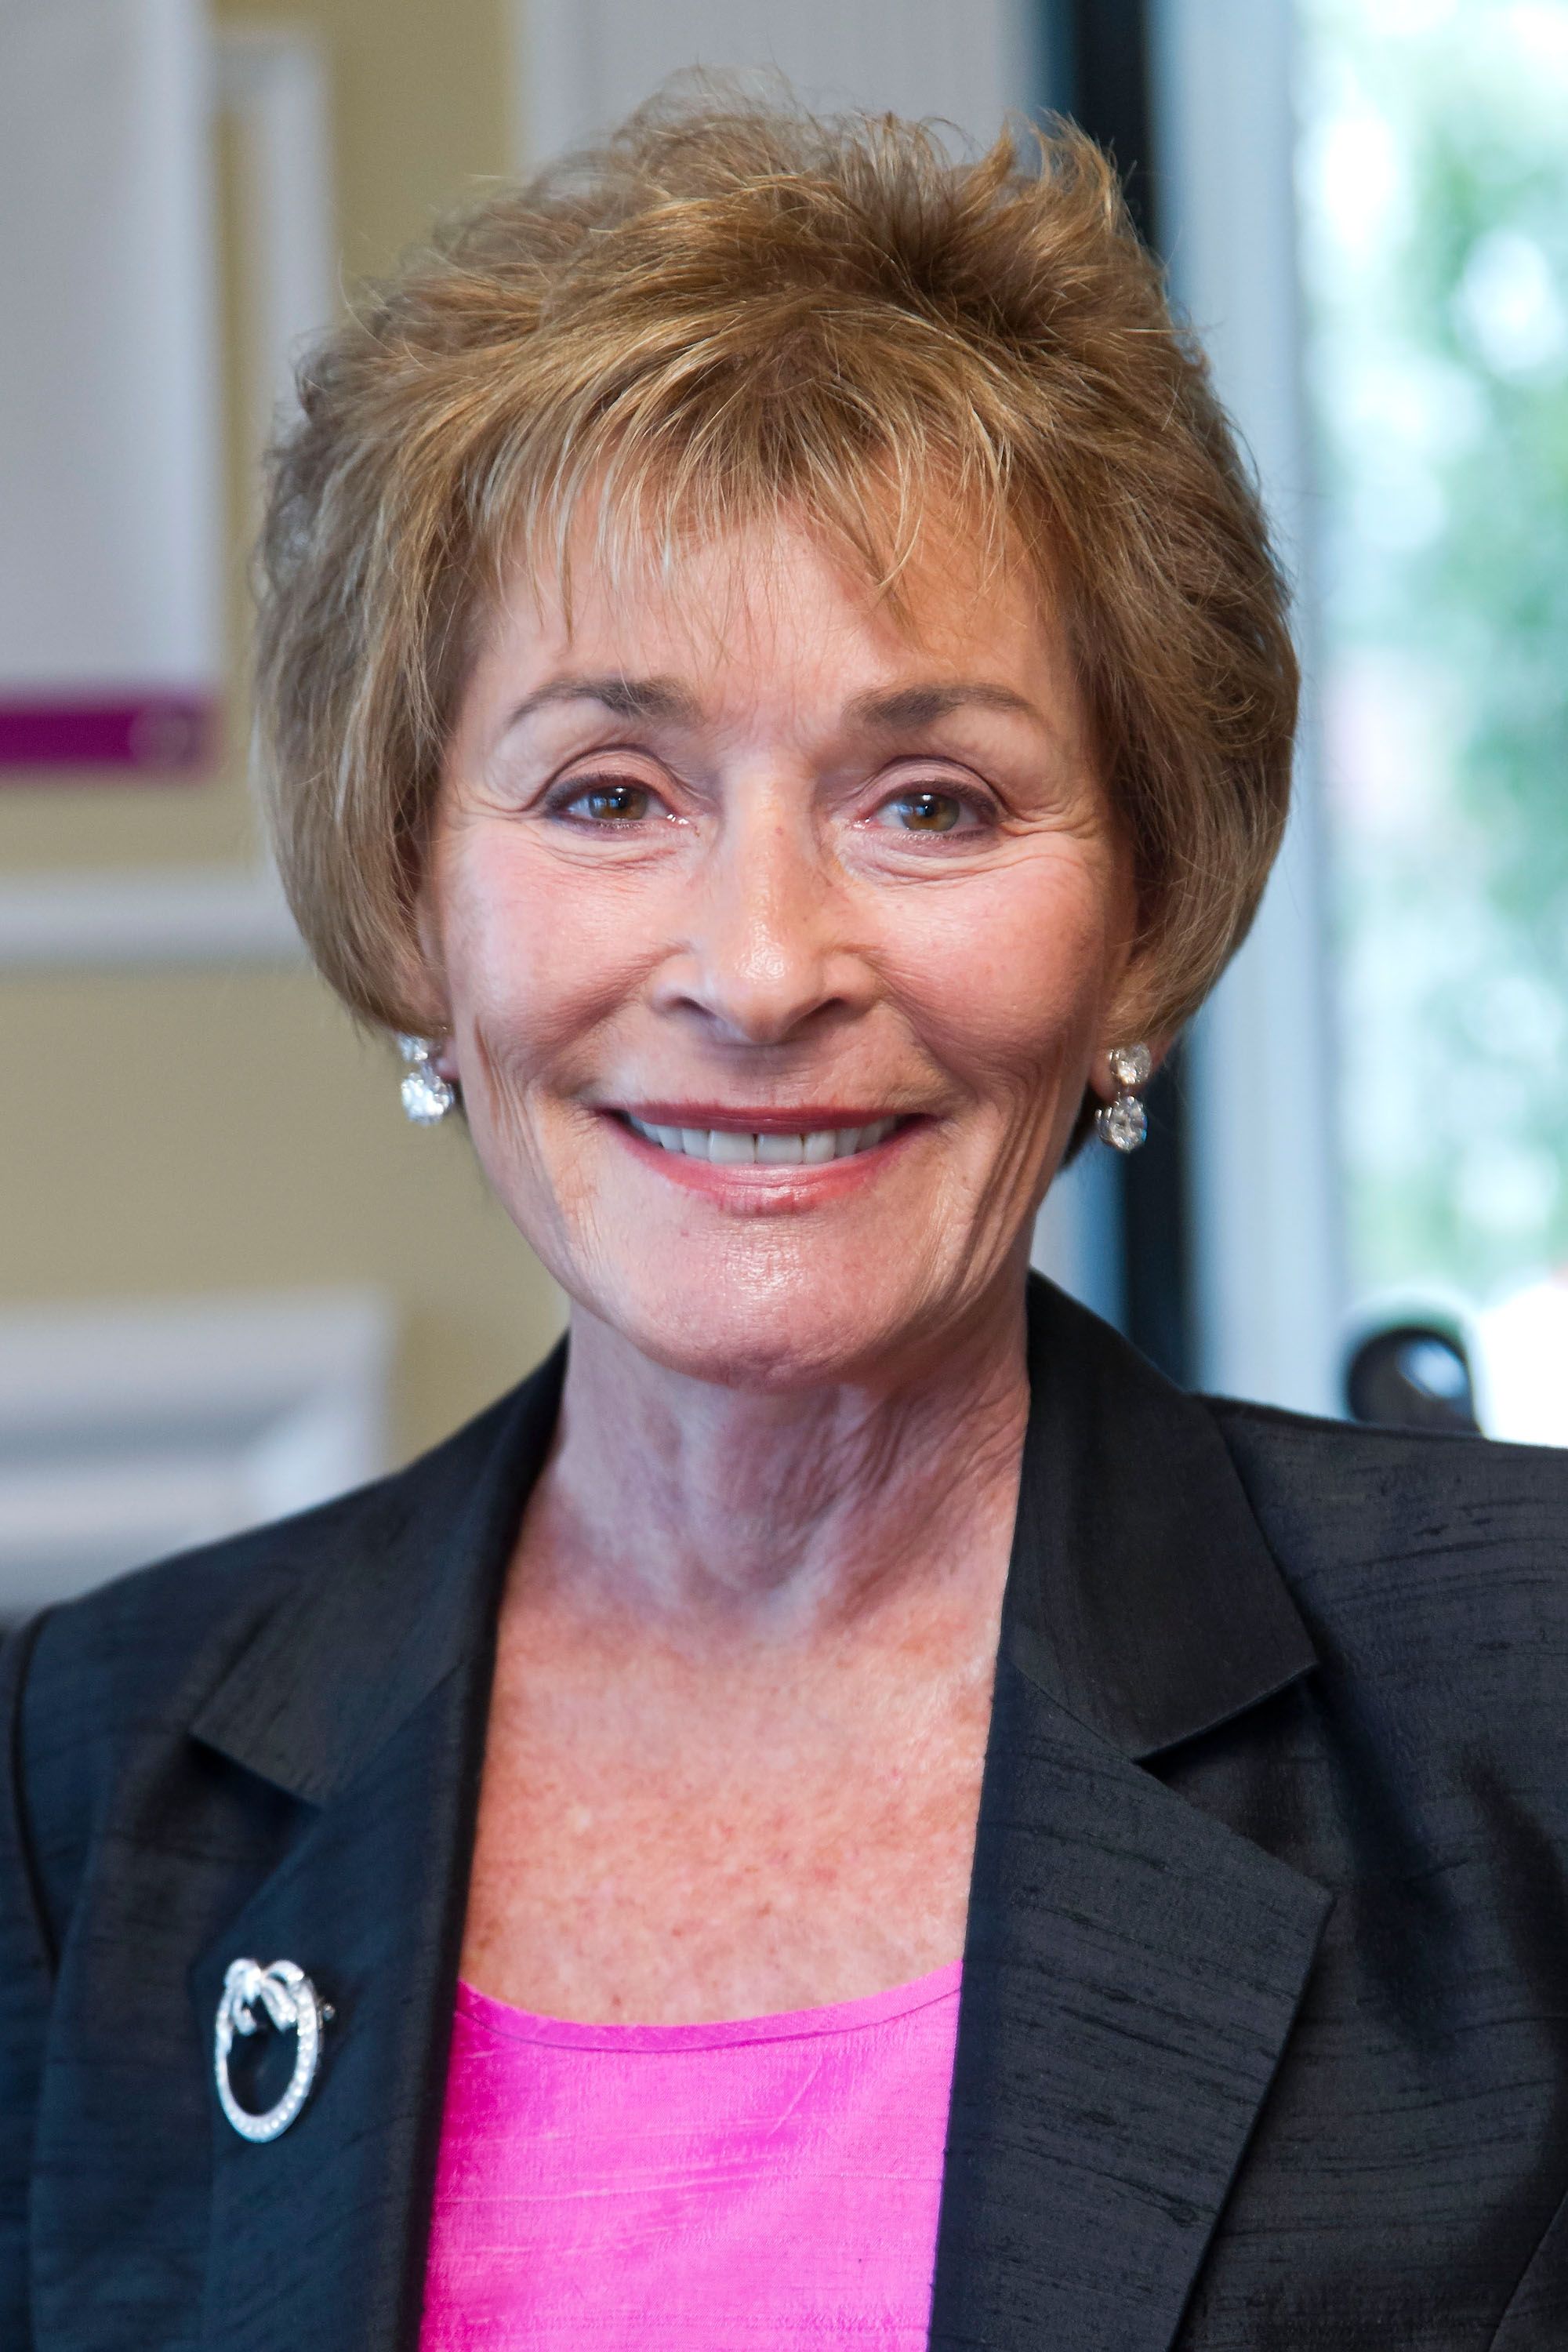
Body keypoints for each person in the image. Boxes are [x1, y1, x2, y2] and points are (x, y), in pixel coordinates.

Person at [3, 90, 1566, 2352]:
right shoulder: (94, 1782)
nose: (760, 966)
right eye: (607, 793)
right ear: (411, 896)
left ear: (1138, 916)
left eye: (930, 801)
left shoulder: (1519, 1703)